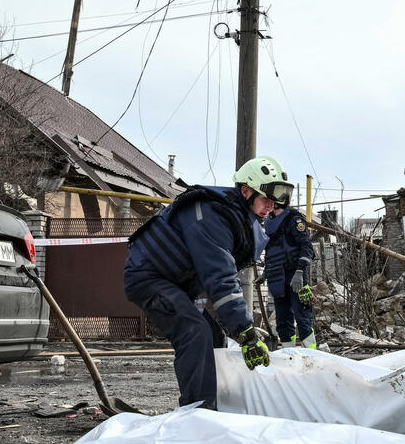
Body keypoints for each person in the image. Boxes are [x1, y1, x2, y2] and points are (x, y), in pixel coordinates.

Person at [124, 156, 294, 410]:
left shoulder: (239, 220)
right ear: (245, 191)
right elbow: (220, 277)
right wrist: (246, 332)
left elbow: (221, 283)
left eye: (274, 202)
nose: (270, 207)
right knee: (194, 331)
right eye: (265, 199)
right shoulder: (213, 214)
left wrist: (234, 326)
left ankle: (216, 403)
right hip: (149, 278)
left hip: (176, 283)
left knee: (213, 334)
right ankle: (198, 411)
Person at [263, 204, 318, 348]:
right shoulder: (268, 223)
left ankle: (311, 357)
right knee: (282, 320)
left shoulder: (294, 219)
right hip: (277, 277)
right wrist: (265, 273)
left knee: (302, 318)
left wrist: (300, 272)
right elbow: (271, 251)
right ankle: (289, 357)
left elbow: (307, 247)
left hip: (296, 275)